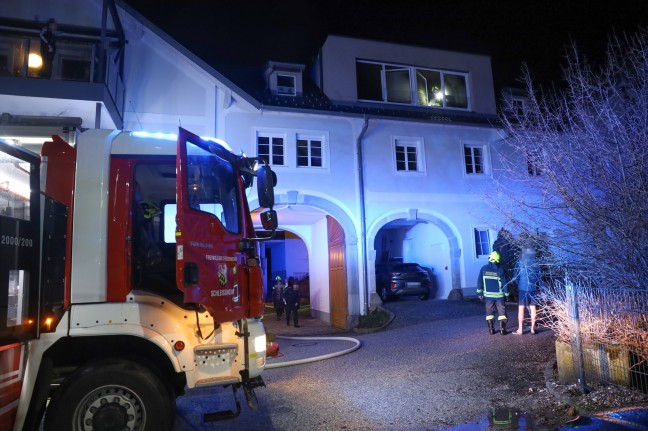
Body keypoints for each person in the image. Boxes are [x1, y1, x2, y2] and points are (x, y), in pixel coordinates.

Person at [477, 250, 509, 335]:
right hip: (499, 295)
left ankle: (491, 329)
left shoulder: (483, 268)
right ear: (498, 260)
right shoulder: (500, 269)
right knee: (502, 312)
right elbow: (505, 283)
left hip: (488, 296)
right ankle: (502, 329)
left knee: (489, 313)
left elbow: (479, 281)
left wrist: (480, 293)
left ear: (490, 258)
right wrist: (507, 295)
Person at [511, 248, 540, 335]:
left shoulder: (520, 262)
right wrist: (539, 287)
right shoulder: (536, 264)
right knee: (533, 308)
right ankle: (532, 329)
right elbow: (539, 277)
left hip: (523, 289)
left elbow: (516, 276)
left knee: (521, 308)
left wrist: (518, 284)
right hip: (533, 289)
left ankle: (520, 330)